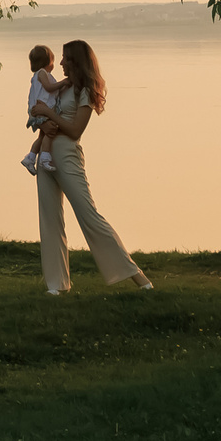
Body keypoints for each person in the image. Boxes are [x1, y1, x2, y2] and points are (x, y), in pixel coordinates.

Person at [37, 38, 153, 294]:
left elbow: (75, 130)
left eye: (66, 58)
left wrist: (50, 114)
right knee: (49, 218)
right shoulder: (59, 87)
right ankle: (57, 285)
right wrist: (41, 121)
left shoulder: (85, 91)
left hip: (67, 155)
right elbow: (42, 114)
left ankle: (137, 276)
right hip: (46, 155)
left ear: (76, 61)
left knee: (88, 215)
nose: (61, 63)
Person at [20, 44, 61, 175]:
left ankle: (30, 157)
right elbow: (49, 87)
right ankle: (45, 158)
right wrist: (63, 83)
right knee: (50, 133)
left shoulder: (37, 75)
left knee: (42, 135)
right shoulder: (42, 73)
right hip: (41, 109)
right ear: (48, 61)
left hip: (36, 110)